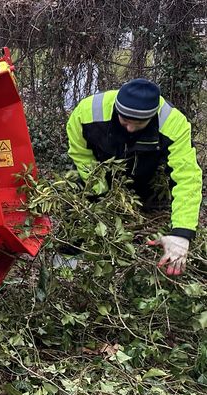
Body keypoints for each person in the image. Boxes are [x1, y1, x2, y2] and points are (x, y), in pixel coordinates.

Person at [66, 78, 201, 275]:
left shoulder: (173, 124)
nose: (129, 128)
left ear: (152, 116)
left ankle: (130, 269)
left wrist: (182, 232)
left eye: (138, 123)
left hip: (146, 176)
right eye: (125, 121)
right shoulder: (87, 112)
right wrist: (101, 193)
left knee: (141, 225)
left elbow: (187, 178)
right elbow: (81, 154)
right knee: (76, 213)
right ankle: (66, 268)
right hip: (96, 172)